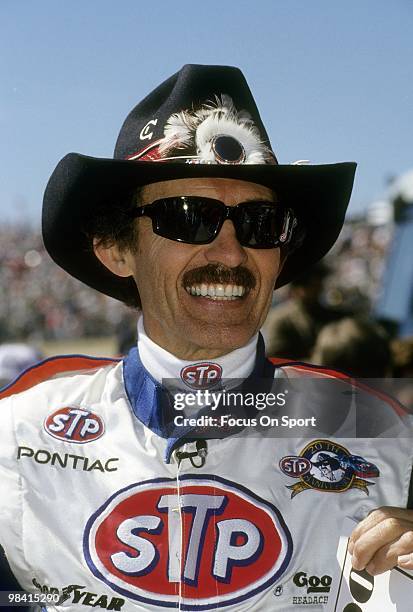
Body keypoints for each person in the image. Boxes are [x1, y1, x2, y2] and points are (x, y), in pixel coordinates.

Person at [0, 64, 412, 612]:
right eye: (188, 217)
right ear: (115, 247)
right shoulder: (19, 431)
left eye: (261, 222)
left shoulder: (383, 432)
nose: (230, 252)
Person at [262, 262, 347, 360]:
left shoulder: (334, 316)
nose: (315, 288)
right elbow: (277, 359)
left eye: (317, 281)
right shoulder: (281, 320)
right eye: (308, 283)